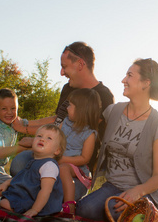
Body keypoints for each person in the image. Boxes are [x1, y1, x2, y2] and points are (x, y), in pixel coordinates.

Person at [75, 58, 158, 222]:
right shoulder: (113, 111)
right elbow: (84, 121)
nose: (123, 80)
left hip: (144, 192)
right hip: (112, 186)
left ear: (146, 83)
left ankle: (146, 216)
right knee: (84, 210)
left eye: (129, 75)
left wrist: (138, 192)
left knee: (113, 212)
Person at [10, 42, 114, 198]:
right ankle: (39, 191)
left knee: (61, 188)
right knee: (18, 164)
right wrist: (25, 124)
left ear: (80, 64)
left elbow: (94, 140)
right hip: (51, 153)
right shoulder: (68, 89)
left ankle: (40, 191)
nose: (61, 72)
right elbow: (57, 121)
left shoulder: (103, 96)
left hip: (74, 167)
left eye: (64, 66)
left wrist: (26, 131)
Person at [0, 124, 67, 218]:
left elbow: (46, 190)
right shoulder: (34, 161)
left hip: (39, 203)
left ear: (57, 150)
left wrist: (35, 209)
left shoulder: (49, 165)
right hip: (26, 195)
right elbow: (21, 177)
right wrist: (5, 183)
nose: (42, 139)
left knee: (6, 203)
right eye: (39, 136)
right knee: (2, 191)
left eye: (49, 138)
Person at [58, 88, 101, 214]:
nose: (67, 108)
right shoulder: (65, 123)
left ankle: (69, 205)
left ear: (81, 110)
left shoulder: (89, 134)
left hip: (76, 168)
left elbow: (84, 158)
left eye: (70, 105)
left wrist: (62, 159)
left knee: (64, 169)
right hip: (59, 159)